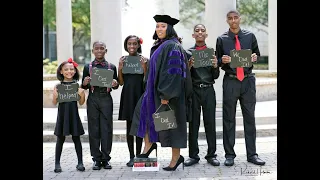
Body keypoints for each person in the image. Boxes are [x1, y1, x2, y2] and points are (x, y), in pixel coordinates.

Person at [130, 14, 193, 171]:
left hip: (168, 96)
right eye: (157, 26)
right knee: (142, 115)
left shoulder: (172, 46)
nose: (159, 29)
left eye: (163, 26)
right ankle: (148, 147)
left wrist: (166, 95)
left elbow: (173, 73)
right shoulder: (160, 45)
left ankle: (176, 159)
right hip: (153, 93)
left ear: (169, 28)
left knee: (172, 126)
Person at [215, 10, 265, 166]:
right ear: (227, 21)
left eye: (235, 17)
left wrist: (256, 57)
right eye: (230, 18)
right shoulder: (221, 39)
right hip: (230, 81)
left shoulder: (250, 36)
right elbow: (217, 60)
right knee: (228, 118)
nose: (233, 20)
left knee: (249, 117)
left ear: (240, 19)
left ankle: (252, 154)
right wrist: (221, 60)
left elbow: (257, 54)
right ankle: (229, 155)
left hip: (248, 81)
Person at [184, 24, 220, 167]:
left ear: (206, 35)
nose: (199, 33)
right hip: (194, 90)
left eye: (202, 31)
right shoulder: (188, 53)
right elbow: (185, 76)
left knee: (210, 122)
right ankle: (193, 155)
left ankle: (211, 155)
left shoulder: (211, 53)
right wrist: (189, 66)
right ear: (193, 35)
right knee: (193, 123)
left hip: (208, 90)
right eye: (197, 31)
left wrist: (215, 65)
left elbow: (215, 76)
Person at [81, 41, 119, 170]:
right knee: (94, 129)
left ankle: (106, 158)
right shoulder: (88, 67)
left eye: (101, 48)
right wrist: (85, 82)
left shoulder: (111, 66)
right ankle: (96, 159)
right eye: (96, 48)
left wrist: (115, 83)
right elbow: (83, 85)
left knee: (107, 128)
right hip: (93, 98)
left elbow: (116, 84)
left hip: (106, 98)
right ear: (92, 51)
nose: (99, 51)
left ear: (105, 51)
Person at [118, 35, 148, 167]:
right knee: (129, 126)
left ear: (138, 45)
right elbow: (120, 82)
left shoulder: (144, 59)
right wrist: (119, 68)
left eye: (134, 44)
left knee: (139, 125)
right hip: (128, 95)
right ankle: (131, 156)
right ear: (126, 45)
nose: (132, 46)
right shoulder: (124, 60)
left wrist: (144, 67)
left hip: (140, 94)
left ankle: (138, 156)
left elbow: (147, 80)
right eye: (129, 44)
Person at [52, 58, 86, 173]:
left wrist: (82, 94)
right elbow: (54, 102)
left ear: (75, 71)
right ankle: (57, 163)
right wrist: (55, 94)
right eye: (66, 69)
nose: (69, 71)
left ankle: (80, 162)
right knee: (60, 139)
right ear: (61, 71)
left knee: (77, 138)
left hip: (74, 115)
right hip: (62, 115)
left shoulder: (76, 86)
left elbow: (81, 103)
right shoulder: (58, 86)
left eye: (71, 69)